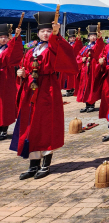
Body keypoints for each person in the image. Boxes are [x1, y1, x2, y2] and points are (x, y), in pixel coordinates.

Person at [11, 11, 76, 180]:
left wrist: (57, 35)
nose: (45, 33)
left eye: (49, 30)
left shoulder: (54, 48)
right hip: (31, 92)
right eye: (43, 31)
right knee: (31, 126)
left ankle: (46, 164)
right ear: (37, 33)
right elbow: (24, 68)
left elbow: (64, 54)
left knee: (47, 126)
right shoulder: (31, 50)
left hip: (48, 91)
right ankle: (33, 165)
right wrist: (21, 73)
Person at [0, 24, 24, 140]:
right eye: (1, 37)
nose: (3, 39)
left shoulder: (9, 48)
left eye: (5, 36)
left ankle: (4, 130)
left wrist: (17, 36)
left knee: (6, 105)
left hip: (6, 79)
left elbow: (15, 50)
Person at [76, 25, 104, 113]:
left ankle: (92, 104)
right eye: (91, 36)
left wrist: (99, 38)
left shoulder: (97, 46)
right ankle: (87, 105)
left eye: (94, 36)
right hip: (84, 70)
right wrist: (81, 59)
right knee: (84, 87)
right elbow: (78, 56)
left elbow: (99, 49)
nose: (93, 37)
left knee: (92, 86)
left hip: (93, 69)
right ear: (88, 37)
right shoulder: (85, 48)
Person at [61, 29, 83, 97]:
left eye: (73, 38)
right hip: (67, 62)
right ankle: (68, 90)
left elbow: (78, 45)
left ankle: (71, 90)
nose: (72, 39)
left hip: (73, 62)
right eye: (70, 38)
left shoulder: (76, 44)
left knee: (72, 77)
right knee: (66, 77)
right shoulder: (67, 44)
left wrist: (78, 39)